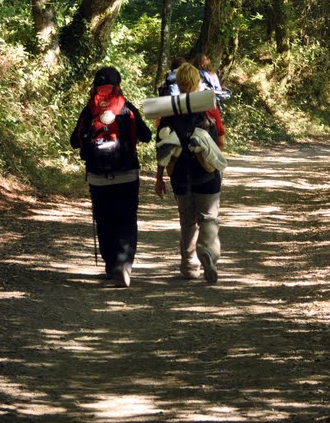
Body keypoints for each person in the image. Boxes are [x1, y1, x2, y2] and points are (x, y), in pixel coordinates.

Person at [70, 66, 152, 288]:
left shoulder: (89, 111)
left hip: (98, 177)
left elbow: (74, 141)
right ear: (118, 84)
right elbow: (146, 135)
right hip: (127, 174)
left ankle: (110, 268)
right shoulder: (126, 108)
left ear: (95, 86)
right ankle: (123, 266)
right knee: (126, 220)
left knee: (104, 221)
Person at [155, 61, 226, 283]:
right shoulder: (208, 105)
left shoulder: (167, 110)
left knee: (187, 221)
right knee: (209, 219)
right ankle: (210, 257)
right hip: (206, 174)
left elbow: (161, 146)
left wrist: (159, 178)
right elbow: (221, 141)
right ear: (198, 81)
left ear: (177, 83)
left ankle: (188, 267)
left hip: (179, 175)